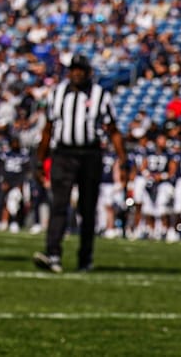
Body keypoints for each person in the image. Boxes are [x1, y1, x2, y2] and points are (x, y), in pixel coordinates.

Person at [34, 54, 127, 274]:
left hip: (90, 155)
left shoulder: (100, 96)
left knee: (87, 208)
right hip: (63, 154)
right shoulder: (57, 94)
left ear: (88, 72)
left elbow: (113, 130)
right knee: (59, 204)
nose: (76, 73)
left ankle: (85, 258)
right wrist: (40, 160)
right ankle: (53, 253)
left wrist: (122, 160)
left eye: (80, 70)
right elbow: (48, 129)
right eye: (73, 69)